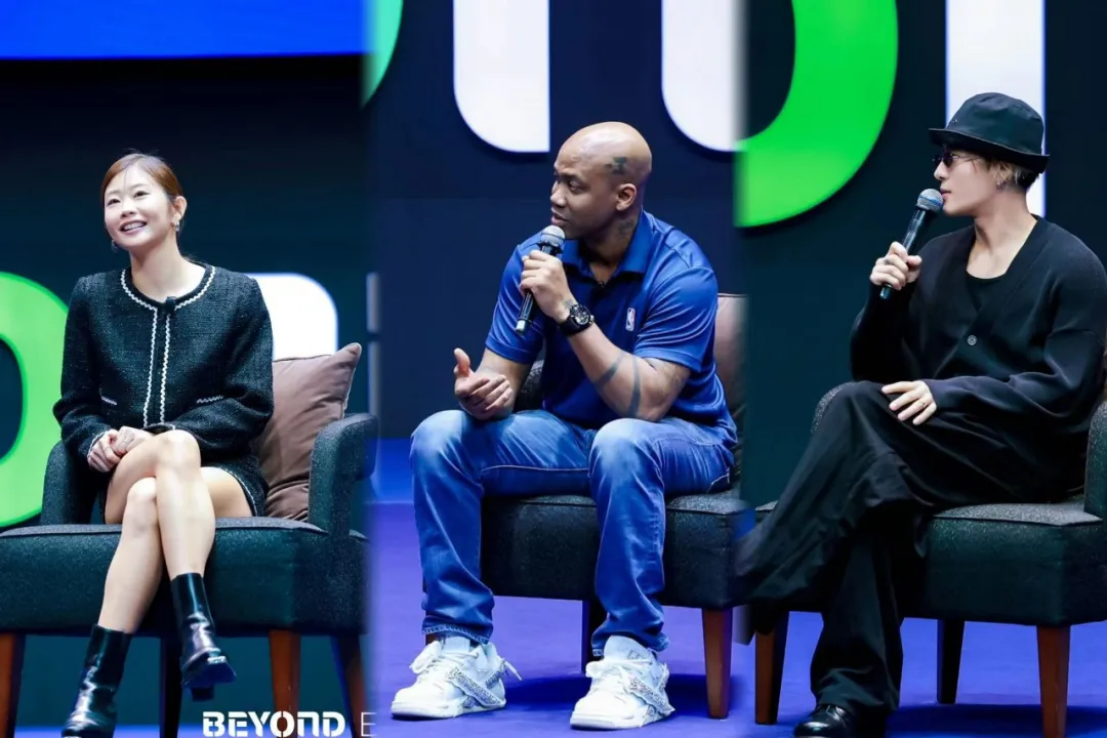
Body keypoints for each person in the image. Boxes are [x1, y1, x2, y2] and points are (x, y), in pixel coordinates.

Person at [734, 91, 1107, 737]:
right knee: (871, 492)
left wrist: (953, 394)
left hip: (1024, 456)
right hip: (929, 451)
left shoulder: (1071, 267)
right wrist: (885, 303)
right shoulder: (934, 258)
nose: (938, 172)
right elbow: (876, 374)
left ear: (1002, 168)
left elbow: (1064, 393)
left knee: (858, 424)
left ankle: (759, 573)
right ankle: (850, 700)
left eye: (953, 159)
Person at [390, 122, 738, 729]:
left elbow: (646, 406)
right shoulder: (538, 258)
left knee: (624, 442)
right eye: (555, 179)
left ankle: (632, 659)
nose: (555, 196)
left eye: (573, 185)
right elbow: (501, 377)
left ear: (623, 196)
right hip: (573, 433)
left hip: (687, 438)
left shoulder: (681, 271)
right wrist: (482, 396)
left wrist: (569, 311)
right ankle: (463, 650)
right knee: (441, 436)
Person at [53, 152, 274, 737]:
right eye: (113, 201)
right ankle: (197, 632)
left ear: (177, 210)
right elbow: (75, 406)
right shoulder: (92, 297)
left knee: (164, 477)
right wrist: (95, 440)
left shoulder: (238, 296)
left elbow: (251, 405)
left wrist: (160, 436)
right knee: (162, 463)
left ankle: (97, 689)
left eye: (139, 195)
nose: (125, 209)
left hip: (225, 479)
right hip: (124, 475)